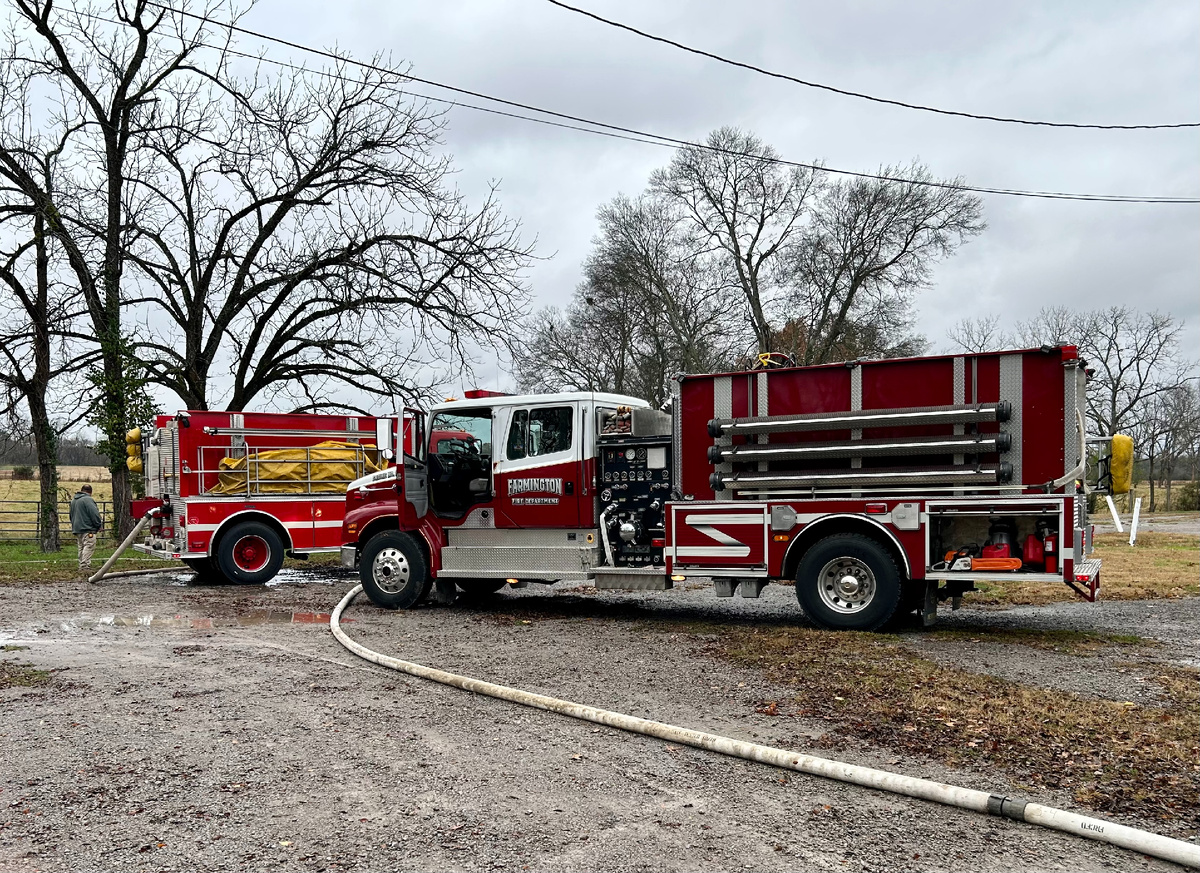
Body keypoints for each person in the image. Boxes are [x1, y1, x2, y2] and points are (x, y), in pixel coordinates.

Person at [69, 484, 103, 578]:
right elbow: (94, 513)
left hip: (77, 528)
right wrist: (98, 524)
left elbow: (71, 515)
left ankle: (81, 564)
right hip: (88, 528)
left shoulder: (74, 500)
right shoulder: (88, 500)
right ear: (90, 492)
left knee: (81, 547)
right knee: (89, 546)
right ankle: (85, 566)